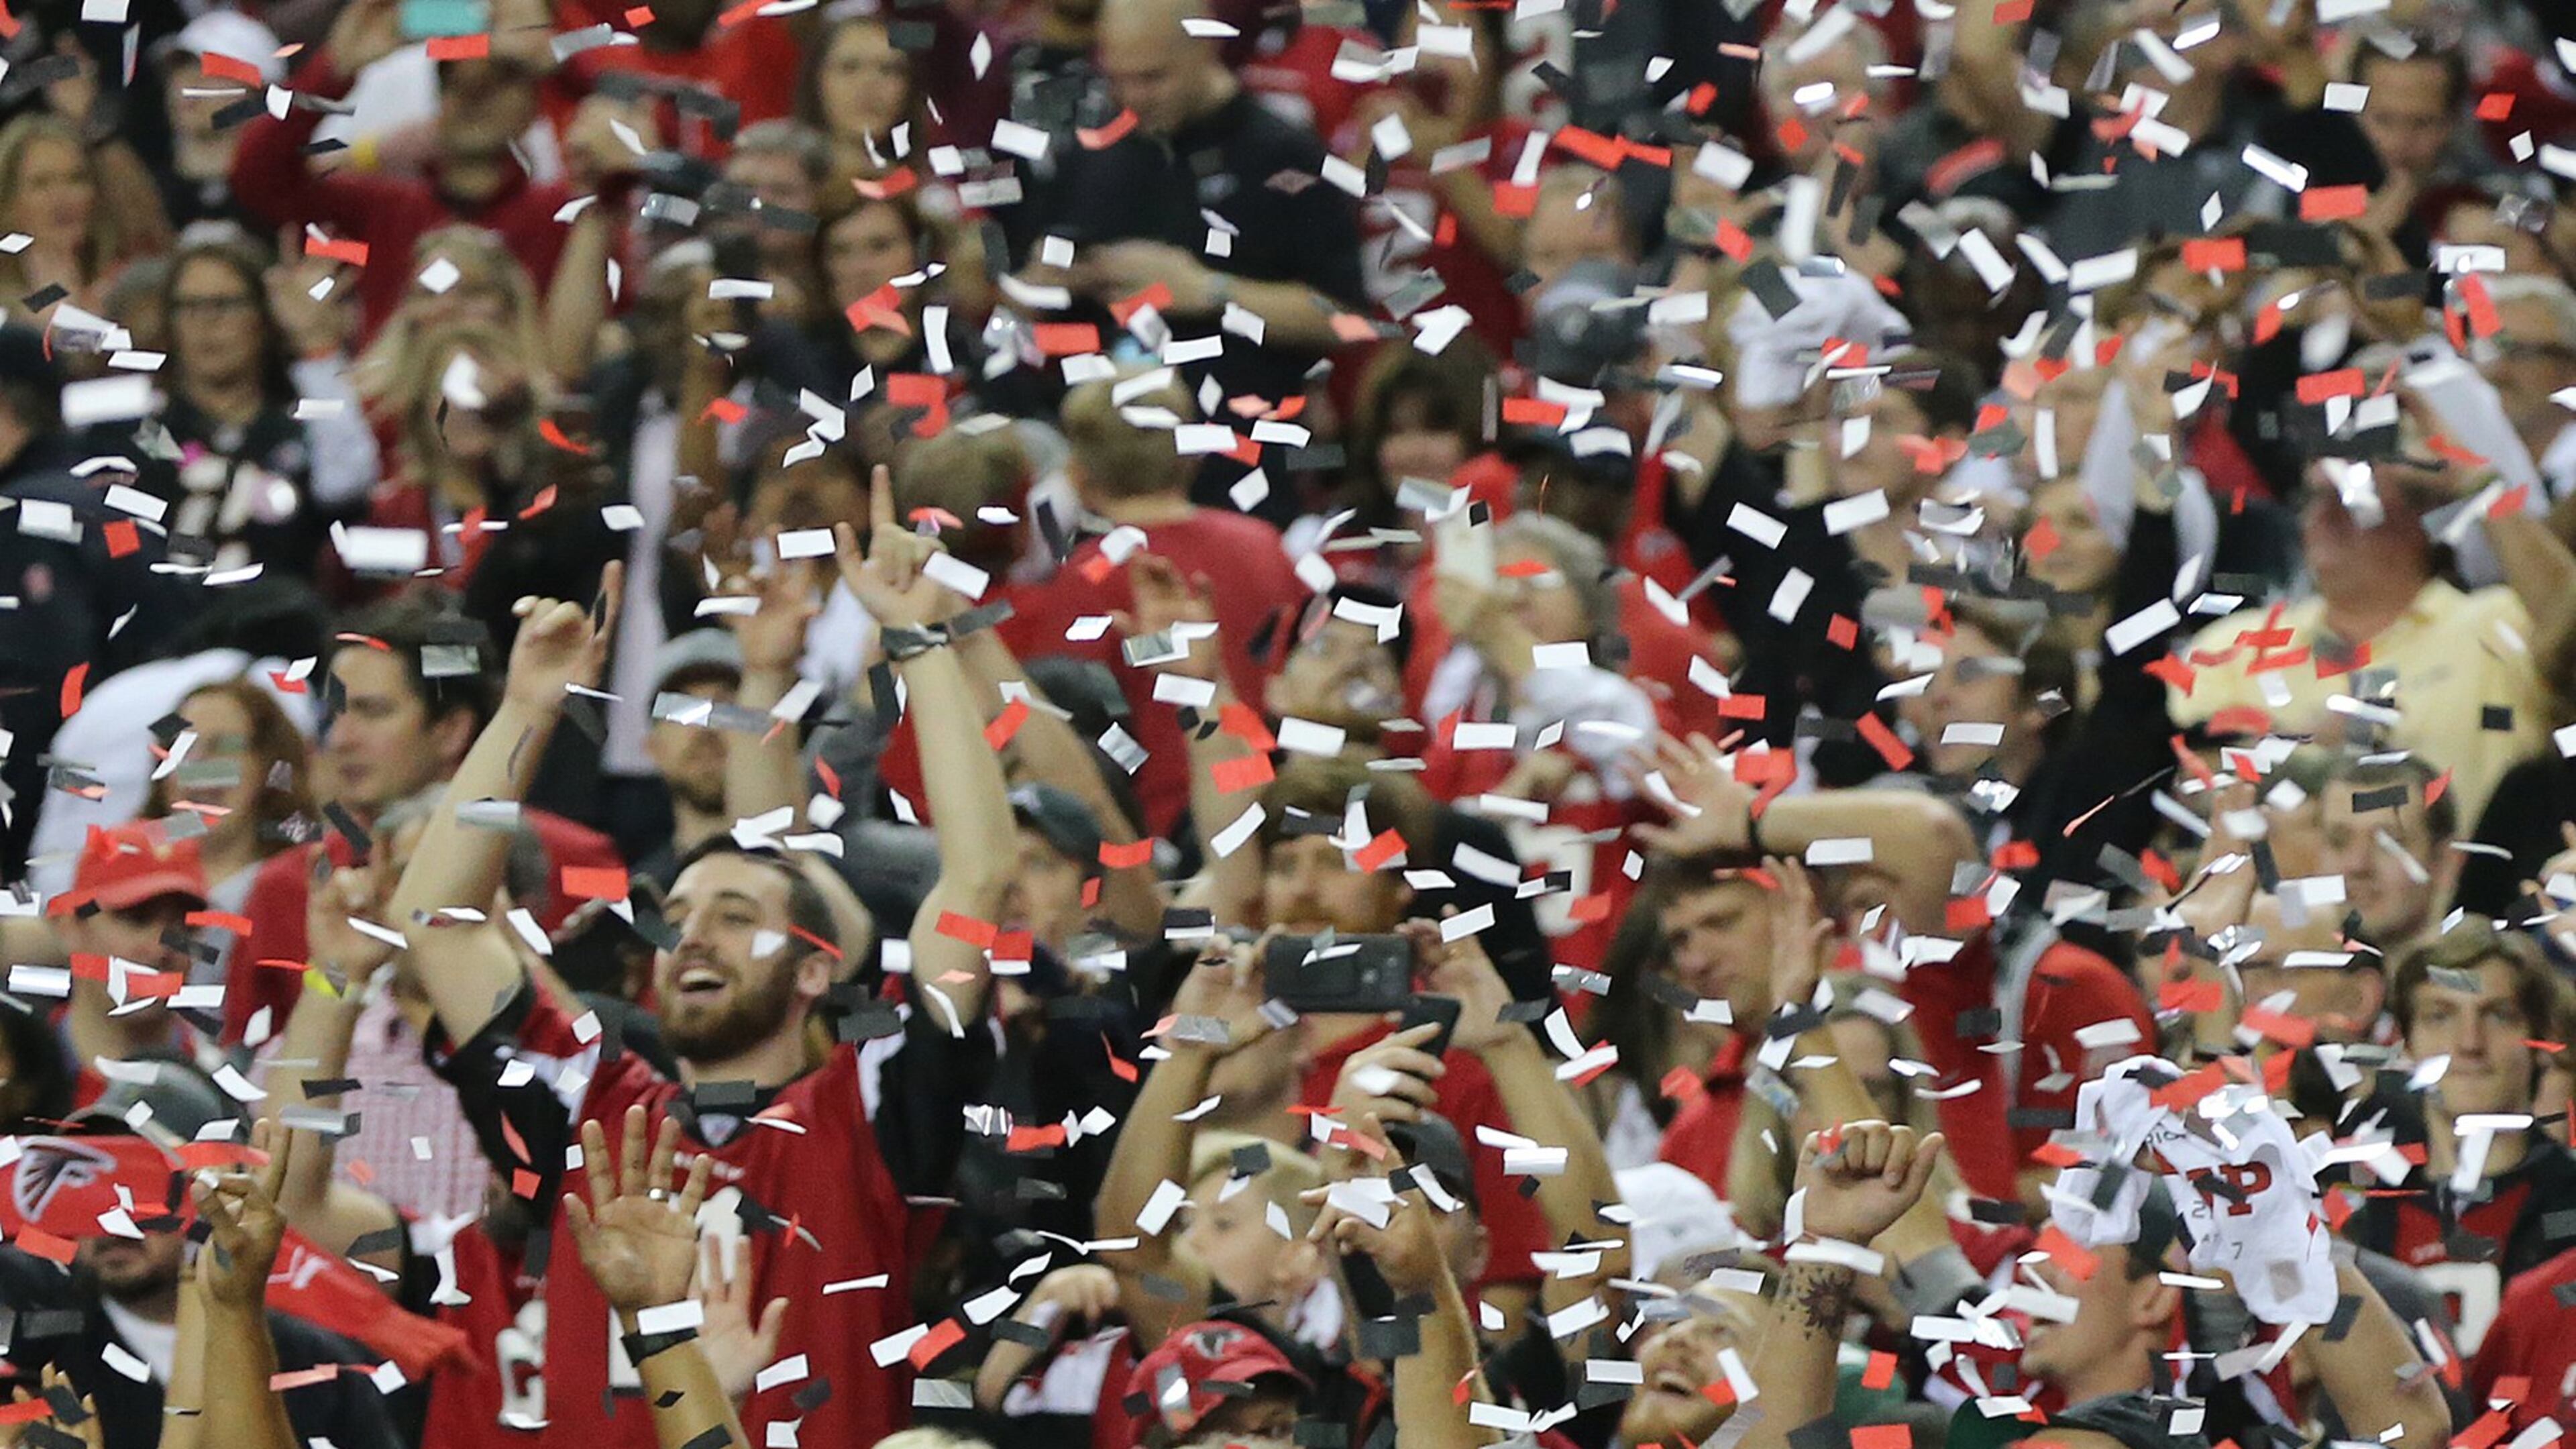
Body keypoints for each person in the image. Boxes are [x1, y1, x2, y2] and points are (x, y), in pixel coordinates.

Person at [404, 493, 1014, 1449]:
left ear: (816, 971)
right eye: (678, 920)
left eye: (735, 918)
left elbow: (978, 877)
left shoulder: (868, 1112)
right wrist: (527, 709)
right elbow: (435, 924)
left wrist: (919, 639)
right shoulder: (592, 1109)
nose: (691, 938)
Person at [221, 590, 623, 1046]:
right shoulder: (289, 887)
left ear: (450, 729)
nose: (341, 738)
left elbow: (618, 1047)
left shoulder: (577, 863)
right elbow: (253, 1073)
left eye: (373, 711)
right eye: (333, 713)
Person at [1024, 0, 1366, 448]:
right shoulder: (1092, 152)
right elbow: (1028, 303)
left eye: (1152, 77)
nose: (1132, 97)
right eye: (1117, 78)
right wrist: (1045, 283)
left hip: (1240, 452)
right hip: (1107, 454)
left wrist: (1207, 290)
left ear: (1204, 49)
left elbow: (1344, 318)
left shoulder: (1285, 156)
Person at [231, 0, 571, 341]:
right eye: (456, 82)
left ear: (533, 104)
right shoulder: (382, 209)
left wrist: (565, 64)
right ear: (438, 100)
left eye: (500, 82)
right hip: (387, 393)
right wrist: (332, 72)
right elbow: (258, 176)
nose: (475, 96)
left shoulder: (561, 215)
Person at [150, 235, 380, 578]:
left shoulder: (301, 428)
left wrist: (317, 346)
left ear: (264, 315)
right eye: (189, 306)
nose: (206, 322)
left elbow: (348, 481)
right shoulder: (145, 432)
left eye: (225, 304)